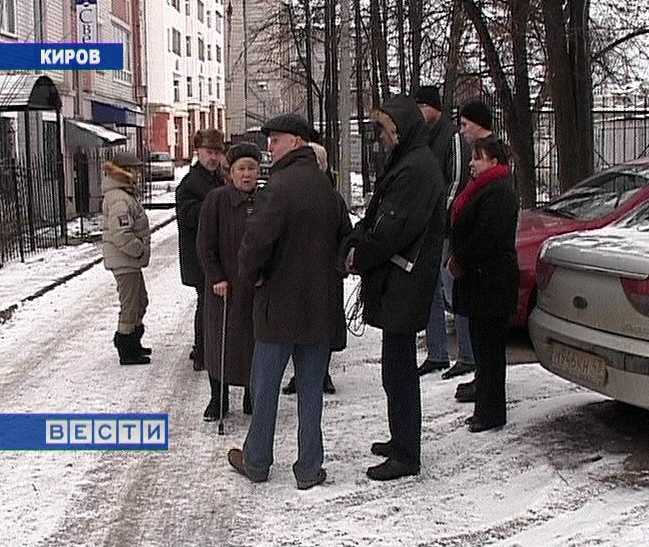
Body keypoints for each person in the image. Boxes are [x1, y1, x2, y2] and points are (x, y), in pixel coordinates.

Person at [227, 114, 349, 490]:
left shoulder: (277, 187)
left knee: (265, 389)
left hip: (277, 309)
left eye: (276, 139)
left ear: (296, 141)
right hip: (318, 308)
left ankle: (257, 460)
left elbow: (254, 244)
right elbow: (345, 241)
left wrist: (253, 276)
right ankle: (309, 467)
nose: (270, 147)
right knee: (310, 392)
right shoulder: (327, 189)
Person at [343, 95, 445, 481]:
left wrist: (358, 254)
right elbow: (381, 217)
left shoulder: (416, 168)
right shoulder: (411, 162)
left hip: (405, 279)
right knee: (395, 369)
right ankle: (400, 439)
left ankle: (406, 453)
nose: (381, 139)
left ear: (400, 130)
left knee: (399, 373)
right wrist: (358, 239)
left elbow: (392, 228)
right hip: (401, 278)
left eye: (385, 131)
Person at [447, 136, 519, 432]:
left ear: (494, 161)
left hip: (491, 282)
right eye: (472, 157)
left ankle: (491, 412)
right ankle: (485, 408)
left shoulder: (499, 191)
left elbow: (487, 236)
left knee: (490, 353)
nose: (471, 163)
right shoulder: (482, 188)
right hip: (480, 281)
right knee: (483, 349)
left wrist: (461, 258)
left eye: (478, 158)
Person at [196, 143, 261, 421]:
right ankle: (218, 398)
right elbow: (205, 244)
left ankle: (251, 394)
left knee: (253, 343)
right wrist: (216, 276)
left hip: (255, 287)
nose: (246, 175)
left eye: (251, 169)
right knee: (219, 342)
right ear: (231, 172)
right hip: (224, 287)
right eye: (241, 169)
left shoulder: (265, 200)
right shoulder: (216, 200)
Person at [414, 85, 475, 379]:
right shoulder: (425, 136)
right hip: (431, 226)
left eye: (421, 107)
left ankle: (467, 355)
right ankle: (437, 352)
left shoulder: (452, 137)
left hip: (447, 227)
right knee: (431, 289)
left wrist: (440, 214)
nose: (417, 113)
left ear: (433, 107)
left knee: (452, 288)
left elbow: (457, 180)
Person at [281, 141, 350, 396]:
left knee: (325, 325)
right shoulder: (289, 193)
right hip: (296, 273)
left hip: (326, 273)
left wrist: (340, 262)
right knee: (298, 324)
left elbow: (346, 234)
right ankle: (300, 374)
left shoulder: (333, 198)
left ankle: (322, 373)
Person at [176, 129, 226, 371]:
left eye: (217, 152)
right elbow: (188, 216)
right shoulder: (191, 183)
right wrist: (216, 208)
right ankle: (202, 353)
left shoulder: (217, 178)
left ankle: (209, 350)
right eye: (209, 152)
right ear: (198, 152)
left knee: (211, 305)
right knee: (205, 305)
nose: (213, 157)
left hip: (213, 255)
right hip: (199, 258)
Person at [102, 151, 152, 366]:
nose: (139, 174)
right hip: (125, 261)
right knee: (131, 304)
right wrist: (137, 249)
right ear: (125, 171)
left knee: (140, 301)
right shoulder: (119, 198)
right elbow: (121, 233)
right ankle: (127, 348)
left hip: (129, 261)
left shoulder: (123, 194)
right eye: (135, 170)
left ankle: (134, 342)